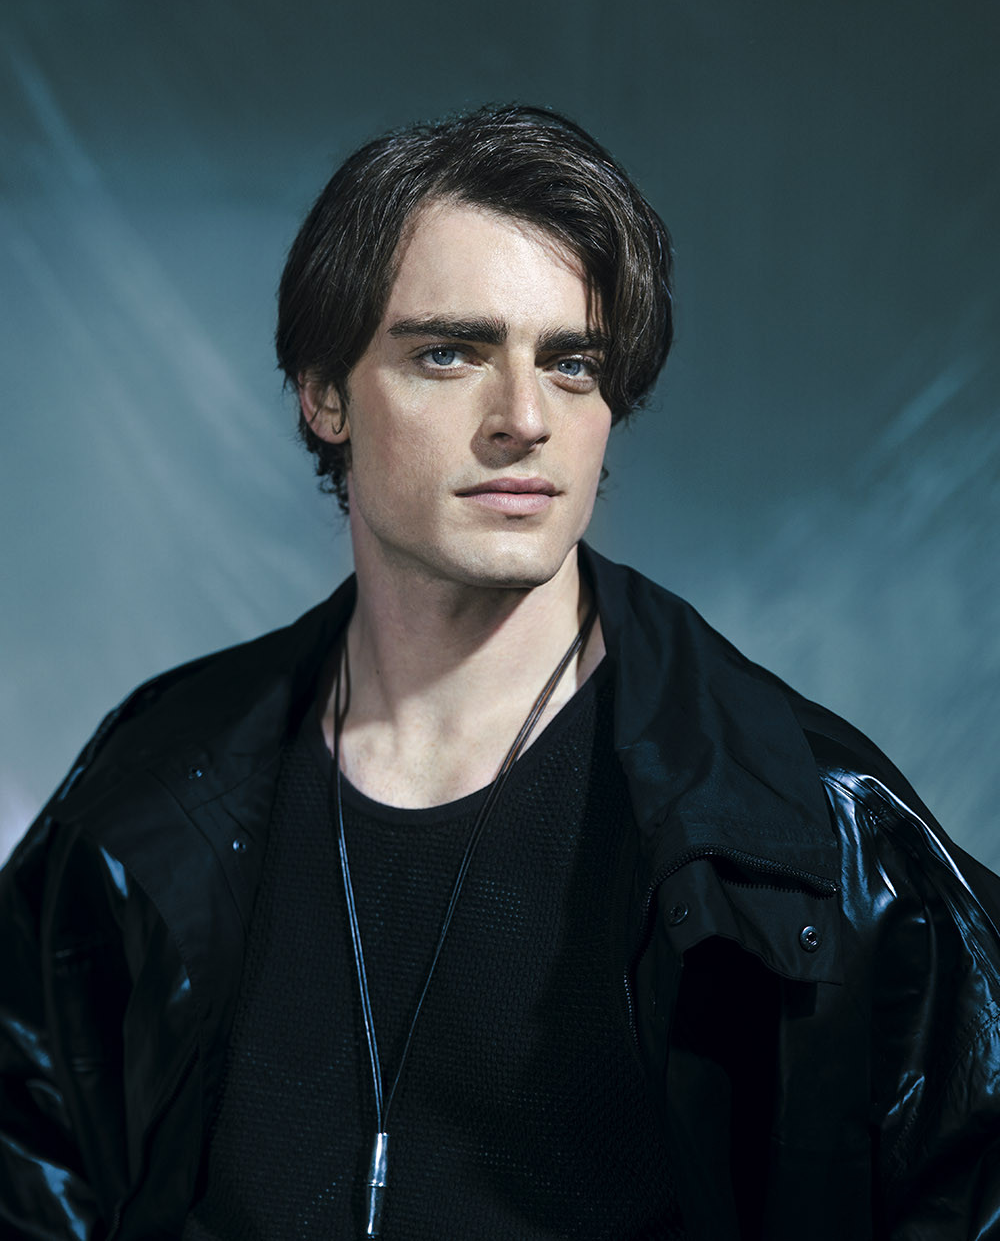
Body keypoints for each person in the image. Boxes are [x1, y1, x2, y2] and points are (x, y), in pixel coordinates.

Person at [2, 104, 999, 1241]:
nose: (524, 419)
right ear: (323, 393)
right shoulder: (159, 785)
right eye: (450, 352)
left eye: (571, 364)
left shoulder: (808, 827)